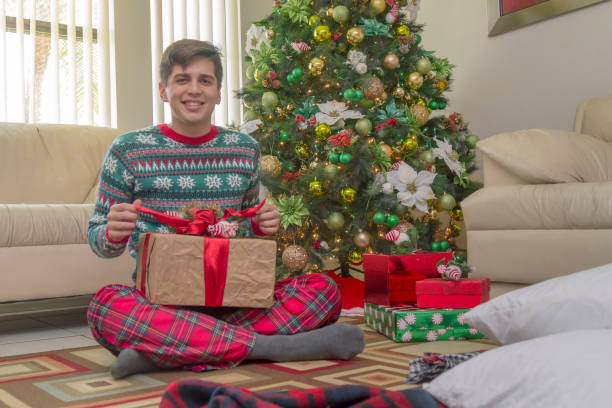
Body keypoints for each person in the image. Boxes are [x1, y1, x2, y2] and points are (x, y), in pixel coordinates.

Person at [87, 39, 364, 380]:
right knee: (106, 305)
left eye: (205, 81)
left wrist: (261, 227)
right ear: (163, 90)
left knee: (323, 290)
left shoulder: (244, 149)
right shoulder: (127, 149)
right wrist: (113, 233)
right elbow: (98, 238)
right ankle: (269, 348)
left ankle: (167, 351)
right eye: (182, 79)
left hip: (236, 302)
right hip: (160, 304)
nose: (194, 90)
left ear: (218, 92)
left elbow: (247, 235)